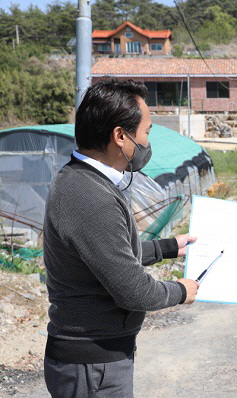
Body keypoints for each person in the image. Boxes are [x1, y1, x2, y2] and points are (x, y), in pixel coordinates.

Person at [43, 79, 200, 398]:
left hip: (92, 361)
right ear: (120, 136)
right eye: (146, 132)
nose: (146, 141)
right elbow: (134, 291)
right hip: (91, 366)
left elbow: (105, 255)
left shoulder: (81, 181)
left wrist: (167, 248)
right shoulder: (91, 197)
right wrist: (180, 291)